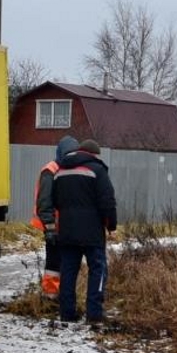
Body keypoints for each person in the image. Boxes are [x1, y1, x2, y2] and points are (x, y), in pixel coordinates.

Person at [51, 138, 118, 327]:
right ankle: (94, 315)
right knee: (98, 270)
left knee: (68, 271)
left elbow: (55, 200)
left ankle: (67, 313)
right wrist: (111, 225)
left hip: (67, 231)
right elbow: (107, 201)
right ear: (93, 154)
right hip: (92, 233)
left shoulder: (60, 172)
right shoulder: (97, 170)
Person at [32, 136, 79, 300]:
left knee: (61, 263)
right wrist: (50, 227)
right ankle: (50, 296)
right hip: (53, 226)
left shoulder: (63, 169)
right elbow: (44, 202)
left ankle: (57, 295)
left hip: (63, 226)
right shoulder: (50, 171)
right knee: (54, 263)